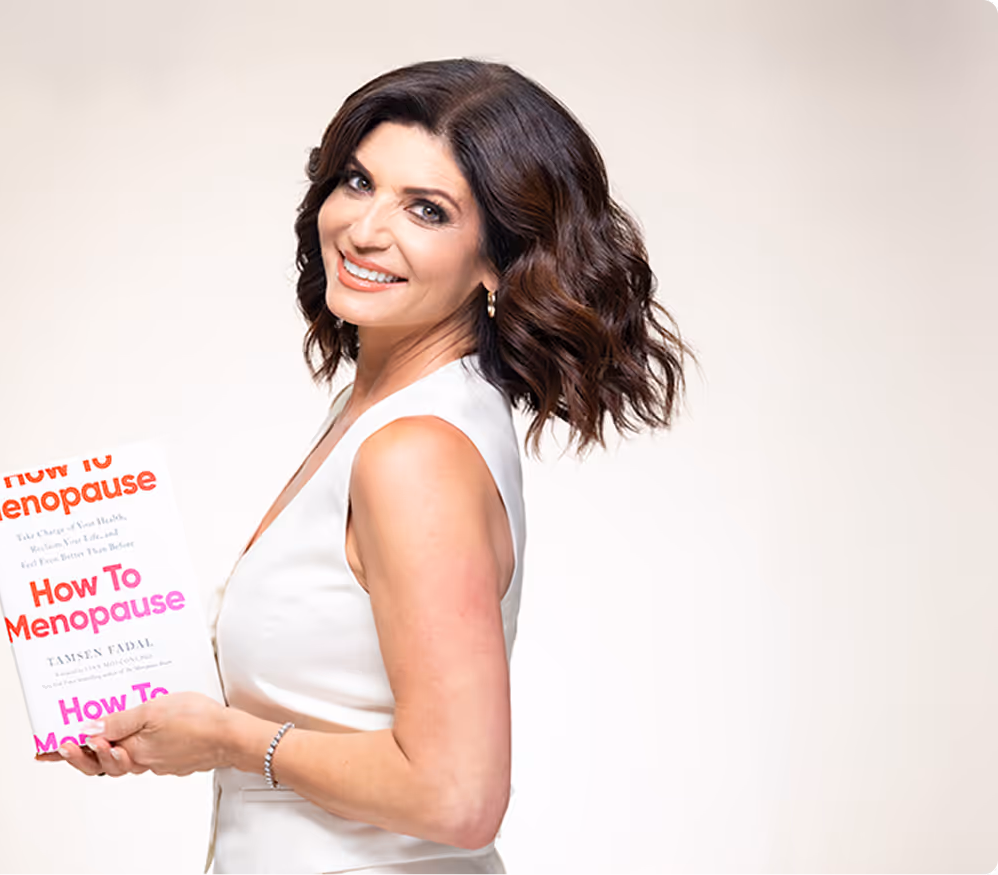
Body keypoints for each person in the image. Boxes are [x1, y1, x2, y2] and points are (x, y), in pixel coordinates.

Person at [38, 58, 692, 873]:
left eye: (427, 209)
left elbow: (458, 796)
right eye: (358, 181)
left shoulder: (414, 451)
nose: (365, 229)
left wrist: (229, 740)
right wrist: (159, 720)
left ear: (499, 259)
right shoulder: (387, 412)